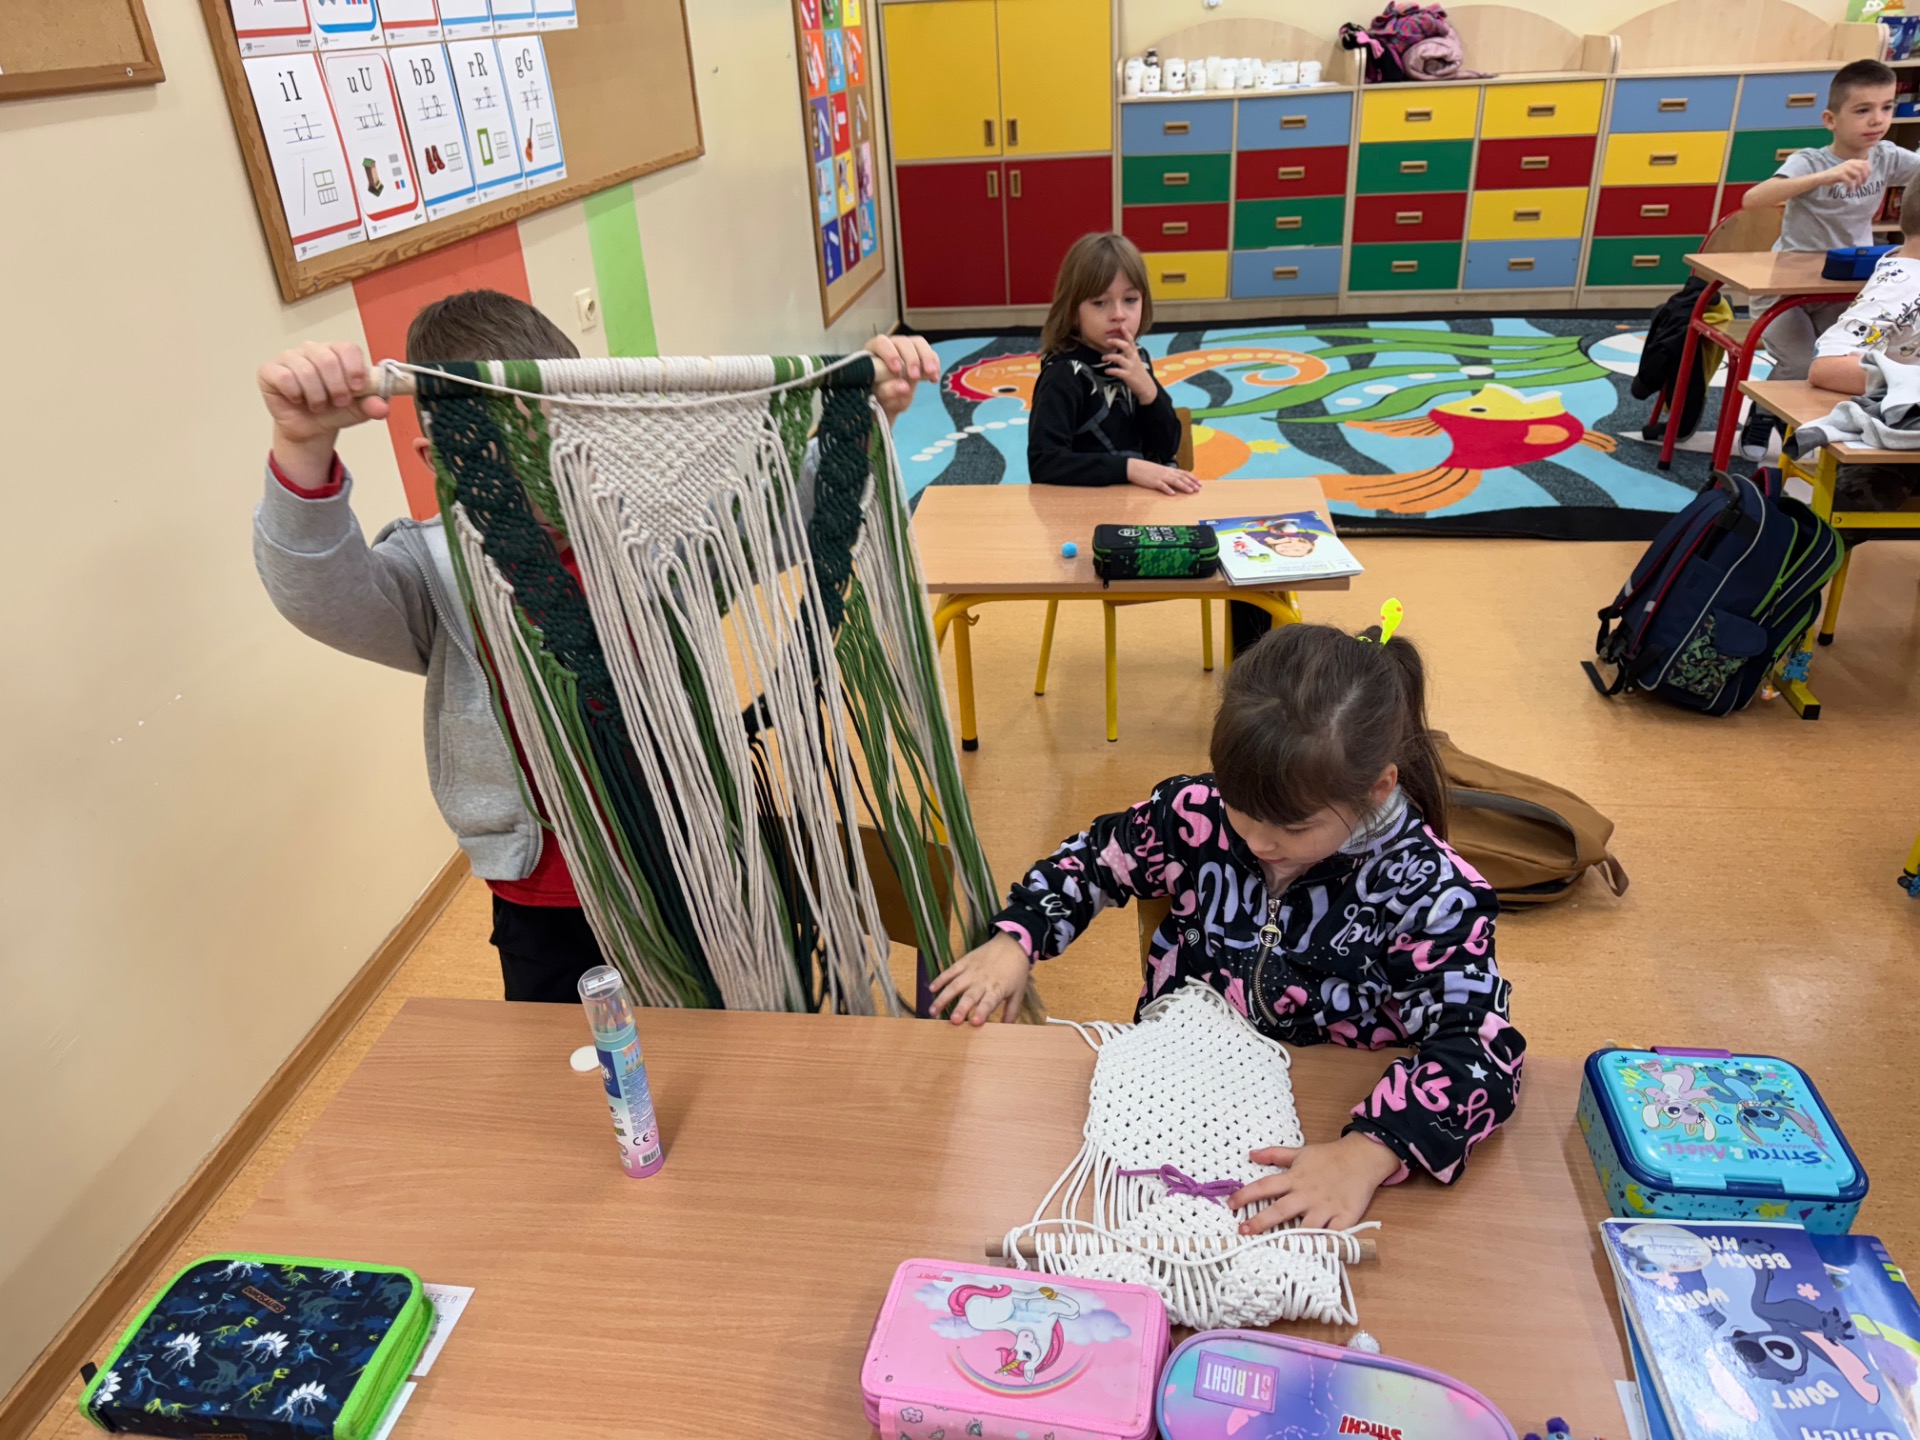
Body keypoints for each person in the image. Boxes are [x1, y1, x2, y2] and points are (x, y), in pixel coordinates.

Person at [252, 289, 938, 1001]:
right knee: (578, 1058)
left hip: (698, 857)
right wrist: (303, 447)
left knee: (732, 1031)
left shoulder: (654, 536)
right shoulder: (435, 571)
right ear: (445, 460)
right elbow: (321, 594)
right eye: (517, 455)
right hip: (550, 894)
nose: (554, 472)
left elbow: (781, 516)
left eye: (570, 441)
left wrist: (868, 419)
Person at [929, 616, 1523, 1231]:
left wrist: (1370, 1152)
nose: (1259, 842)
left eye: (1294, 828)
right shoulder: (1197, 812)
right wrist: (1018, 936)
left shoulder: (1433, 893)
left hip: (1318, 1119)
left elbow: (1481, 1051)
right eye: (1241, 810)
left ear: (1377, 790)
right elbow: (1097, 858)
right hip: (1176, 1091)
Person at [1026, 231, 1268, 655]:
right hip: (1093, 537)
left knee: (1253, 563)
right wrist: (1130, 468)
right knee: (1236, 566)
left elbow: (1167, 447)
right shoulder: (1064, 376)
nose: (1118, 315)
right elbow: (1045, 463)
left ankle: (1252, 677)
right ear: (1073, 307)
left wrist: (1148, 390)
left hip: (1148, 516)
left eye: (1130, 300)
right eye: (1100, 303)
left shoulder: (1136, 358)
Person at [1741, 58, 1920, 450]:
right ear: (1830, 119)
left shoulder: (1886, 156)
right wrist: (1824, 177)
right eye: (1862, 110)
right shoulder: (1810, 161)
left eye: (1886, 107)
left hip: (1843, 286)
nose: (1877, 119)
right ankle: (1763, 413)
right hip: (1784, 289)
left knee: (1843, 366)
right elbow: (1753, 199)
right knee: (1799, 362)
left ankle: (1813, 429)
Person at [1805, 182, 1920, 509]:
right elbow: (1826, 366)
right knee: (1859, 501)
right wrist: (1906, 385)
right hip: (1893, 448)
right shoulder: (1902, 288)